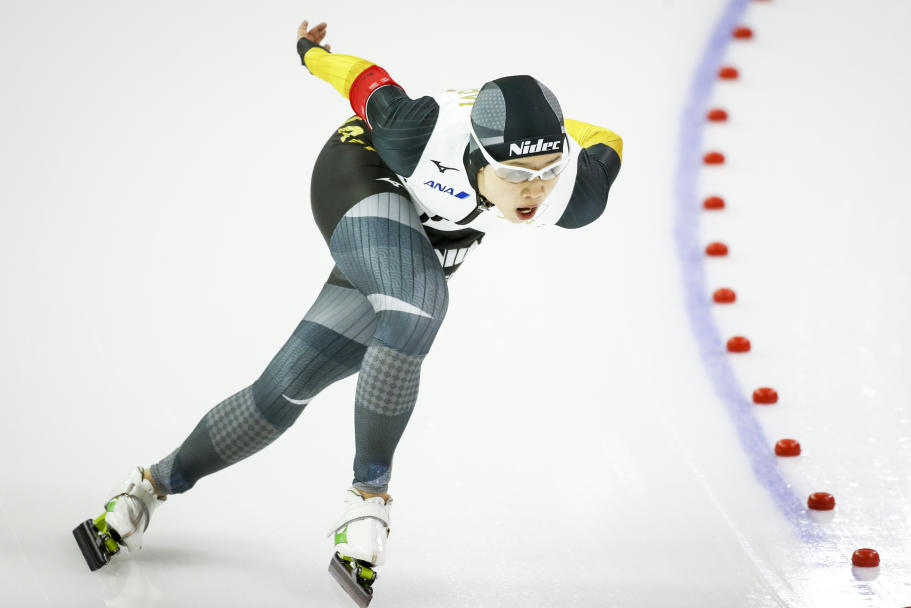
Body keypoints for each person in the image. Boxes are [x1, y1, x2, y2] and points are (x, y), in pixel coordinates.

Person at [74, 18, 623, 593]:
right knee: (417, 304)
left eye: (547, 171)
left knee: (281, 391)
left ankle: (148, 488)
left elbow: (609, 139)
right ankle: (369, 498)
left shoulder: (572, 192)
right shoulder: (418, 129)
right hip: (361, 170)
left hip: (431, 229)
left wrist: (560, 142)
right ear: (474, 154)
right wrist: (311, 53)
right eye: (513, 174)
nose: (534, 190)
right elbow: (365, 79)